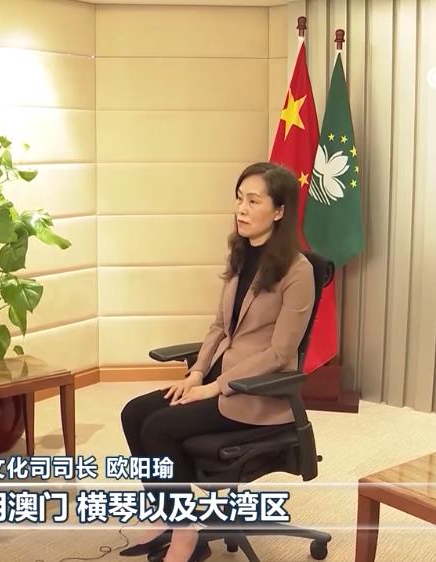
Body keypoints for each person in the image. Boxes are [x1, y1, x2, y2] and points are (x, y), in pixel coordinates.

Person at [119, 162, 315, 562]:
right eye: (239, 199)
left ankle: (186, 534)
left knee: (159, 427)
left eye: (253, 201)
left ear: (279, 211)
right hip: (215, 377)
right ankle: (168, 516)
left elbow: (280, 354)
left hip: (255, 393)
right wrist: (195, 374)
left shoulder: (299, 272)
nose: (241, 209)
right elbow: (219, 327)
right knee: (134, 412)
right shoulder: (242, 256)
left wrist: (213, 387)